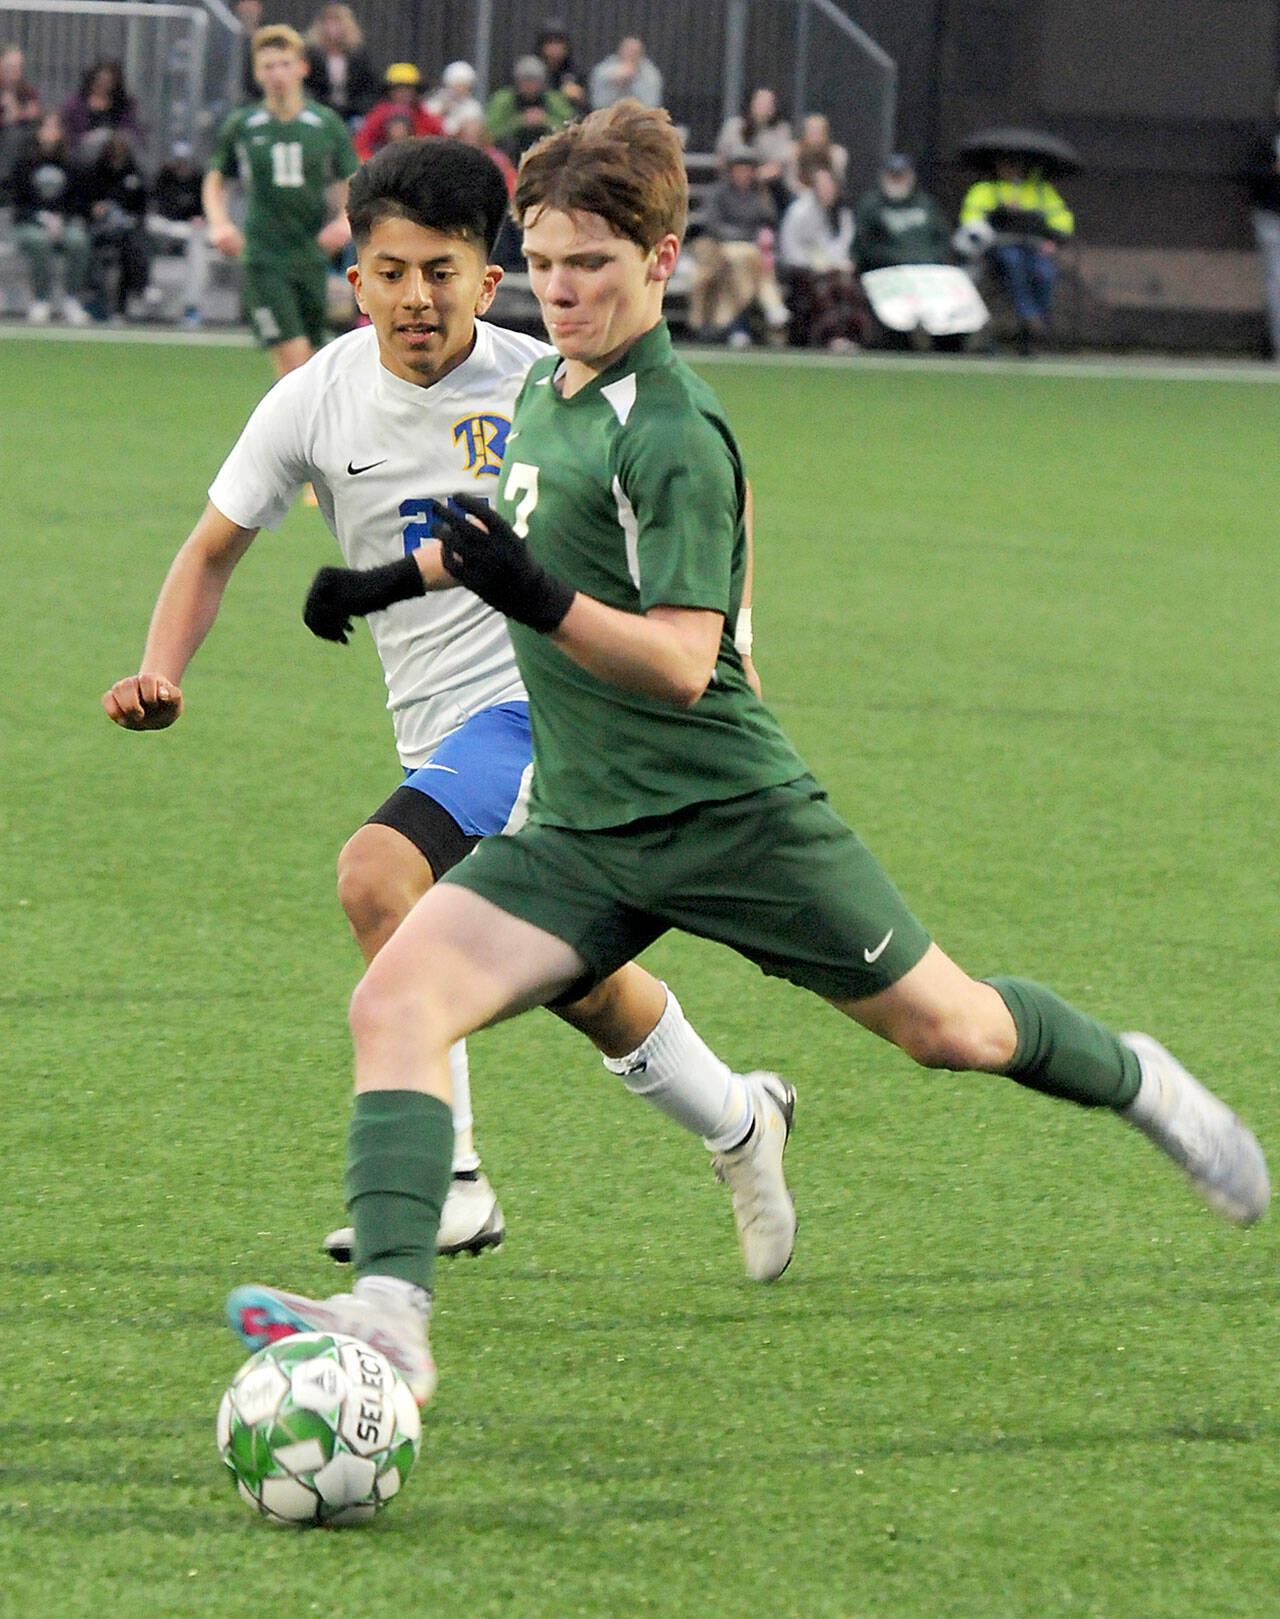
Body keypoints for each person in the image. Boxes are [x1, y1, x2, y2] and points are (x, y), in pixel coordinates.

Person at [233, 102, 1269, 1405]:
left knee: (954, 1028)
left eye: (591, 264)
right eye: (545, 261)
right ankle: (390, 1314)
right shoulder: (551, 393)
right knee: (394, 998)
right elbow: (510, 533)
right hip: (582, 821)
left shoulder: (672, 427)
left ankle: (1143, 1077)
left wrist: (534, 599)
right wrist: (379, 579)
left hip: (728, 810)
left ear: (662, 261)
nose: (561, 289)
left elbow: (677, 658)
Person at [105, 135, 792, 1327]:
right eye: (389, 270)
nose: (415, 295)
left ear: (489, 278)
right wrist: (160, 669)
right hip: (442, 735)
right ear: (355, 278)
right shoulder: (315, 398)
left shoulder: (545, 380)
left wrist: (731, 640)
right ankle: (740, 1115)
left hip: (549, 709)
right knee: (582, 984)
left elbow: (706, 482)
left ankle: (454, 1184)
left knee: (378, 874)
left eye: (443, 269)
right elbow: (211, 547)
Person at [203, 24, 358, 380]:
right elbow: (215, 179)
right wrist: (220, 224)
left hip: (311, 254)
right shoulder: (244, 125)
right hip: (264, 255)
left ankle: (299, 434)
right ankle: (302, 435)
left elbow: (352, 179)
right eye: (269, 66)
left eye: (285, 64)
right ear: (257, 74)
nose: (277, 74)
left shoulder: (324, 123)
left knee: (310, 362)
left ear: (302, 68)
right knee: (295, 357)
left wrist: (344, 223)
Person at [958, 155, 1073, 352]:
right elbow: (971, 219)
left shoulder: (1041, 191)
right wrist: (996, 216)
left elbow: (1061, 217)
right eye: (1006, 163)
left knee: (1044, 272)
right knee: (1014, 262)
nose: (1011, 168)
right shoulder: (985, 189)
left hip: (1034, 247)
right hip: (999, 247)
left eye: (1016, 164)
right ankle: (1027, 314)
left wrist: (1055, 240)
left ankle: (1036, 321)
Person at [689, 145, 790, 346]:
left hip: (750, 254)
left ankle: (736, 325)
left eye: (748, 169)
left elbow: (770, 220)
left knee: (745, 264)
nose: (744, 173)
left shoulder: (759, 195)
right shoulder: (716, 193)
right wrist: (740, 237)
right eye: (739, 168)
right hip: (721, 248)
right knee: (742, 259)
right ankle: (770, 303)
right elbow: (713, 224)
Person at [9, 109, 92, 325]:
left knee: (78, 241)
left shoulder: (71, 164)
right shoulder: (24, 164)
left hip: (62, 222)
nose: (50, 133)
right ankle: (41, 299)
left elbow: (77, 203)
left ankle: (71, 299)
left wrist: (60, 220)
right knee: (39, 242)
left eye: (55, 128)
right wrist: (43, 220)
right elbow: (18, 204)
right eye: (46, 127)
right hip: (29, 224)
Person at [777, 164, 865, 351]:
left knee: (847, 286)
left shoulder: (841, 212)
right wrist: (812, 264)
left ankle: (852, 335)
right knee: (822, 287)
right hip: (803, 270)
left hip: (833, 267)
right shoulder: (799, 211)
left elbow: (843, 244)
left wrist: (838, 263)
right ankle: (831, 335)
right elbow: (789, 247)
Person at [80, 127, 154, 319]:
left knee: (134, 249)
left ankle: (138, 290)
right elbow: (85, 202)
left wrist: (131, 220)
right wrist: (94, 209)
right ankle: (95, 302)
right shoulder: (96, 173)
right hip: (100, 230)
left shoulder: (134, 174)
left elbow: (141, 209)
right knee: (94, 254)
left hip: (126, 230)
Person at [147, 140, 210, 328]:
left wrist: (200, 218)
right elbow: (156, 206)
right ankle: (147, 288)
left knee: (197, 247)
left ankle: (192, 306)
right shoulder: (164, 177)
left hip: (190, 229)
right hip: (166, 226)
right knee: (148, 229)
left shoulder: (199, 179)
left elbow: (204, 208)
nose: (181, 166)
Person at [485, 55, 574, 166]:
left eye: (534, 81)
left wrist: (545, 121)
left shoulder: (554, 99)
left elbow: (570, 128)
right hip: (510, 156)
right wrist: (520, 121)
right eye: (525, 80)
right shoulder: (503, 99)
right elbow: (491, 132)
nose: (529, 86)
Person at [716, 88, 794, 211]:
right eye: (760, 103)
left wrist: (752, 177)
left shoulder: (781, 130)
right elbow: (722, 158)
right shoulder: (734, 127)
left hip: (764, 186)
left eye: (768, 104)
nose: (763, 108)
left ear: (774, 108)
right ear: (752, 104)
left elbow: (778, 166)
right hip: (732, 183)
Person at [1245, 89, 1280, 360]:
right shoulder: (1267, 137)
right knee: (1277, 282)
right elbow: (1250, 173)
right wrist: (1273, 170)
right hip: (1272, 218)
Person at [304, 3, 380, 127]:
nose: (332, 27)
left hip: (353, 112)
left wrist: (358, 108)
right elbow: (307, 85)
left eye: (337, 22)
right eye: (328, 22)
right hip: (321, 109)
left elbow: (370, 86)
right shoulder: (311, 54)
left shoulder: (358, 55)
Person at [354, 63, 443, 162]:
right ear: (389, 91)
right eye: (398, 89)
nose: (403, 94)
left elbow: (442, 142)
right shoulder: (378, 115)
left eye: (408, 89)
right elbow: (361, 146)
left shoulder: (424, 115)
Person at [60, 58, 143, 158]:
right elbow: (68, 133)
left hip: (116, 151)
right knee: (102, 136)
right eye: (100, 80)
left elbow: (133, 130)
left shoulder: (123, 106)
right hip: (84, 152)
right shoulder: (76, 105)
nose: (103, 85)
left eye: (108, 82)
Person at [588, 35, 662, 112]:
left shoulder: (650, 73)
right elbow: (597, 101)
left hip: (639, 115)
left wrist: (633, 79)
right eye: (628, 49)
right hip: (608, 113)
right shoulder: (604, 69)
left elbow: (652, 103)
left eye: (635, 51)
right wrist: (616, 82)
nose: (631, 54)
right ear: (620, 50)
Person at [784, 112, 847, 197]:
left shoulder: (836, 154)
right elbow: (791, 182)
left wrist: (823, 193)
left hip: (828, 198)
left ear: (825, 134)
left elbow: (837, 181)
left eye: (818, 131)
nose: (814, 135)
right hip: (800, 197)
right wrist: (808, 194)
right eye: (810, 131)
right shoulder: (793, 152)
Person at [533, 19, 585, 112]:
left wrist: (580, 98)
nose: (555, 48)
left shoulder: (574, 73)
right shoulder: (531, 70)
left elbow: (586, 108)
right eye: (550, 42)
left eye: (559, 42)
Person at [425, 60, 483, 136]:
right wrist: (443, 110)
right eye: (458, 85)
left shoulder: (473, 107)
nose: (461, 89)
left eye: (465, 85)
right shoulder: (436, 102)